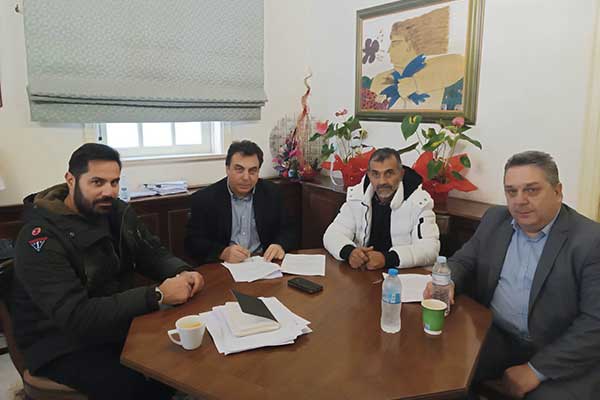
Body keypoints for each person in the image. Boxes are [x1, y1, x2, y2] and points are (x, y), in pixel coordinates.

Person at [11, 143, 204, 400]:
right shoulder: (40, 238)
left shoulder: (116, 211)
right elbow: (76, 316)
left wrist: (182, 271)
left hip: (113, 324)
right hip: (60, 344)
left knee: (177, 358)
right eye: (97, 182)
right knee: (137, 385)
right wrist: (156, 295)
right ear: (71, 180)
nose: (108, 191)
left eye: (114, 182)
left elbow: (151, 253)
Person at [424, 151, 600, 399]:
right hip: (496, 335)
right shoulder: (495, 219)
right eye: (511, 191)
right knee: (439, 369)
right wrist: (447, 280)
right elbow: (463, 261)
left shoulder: (590, 241)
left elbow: (595, 323)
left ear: (558, 191)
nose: (519, 201)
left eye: (531, 190)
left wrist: (536, 370)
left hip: (559, 349)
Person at [323, 148, 440, 270]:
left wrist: (387, 259)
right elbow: (332, 234)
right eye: (375, 174)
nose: (382, 181)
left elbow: (430, 249)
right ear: (369, 175)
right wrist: (350, 252)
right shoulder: (357, 197)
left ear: (401, 174)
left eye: (389, 173)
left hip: (401, 274)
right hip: (364, 272)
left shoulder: (419, 202)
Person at [185, 140, 296, 264]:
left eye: (252, 171)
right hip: (224, 265)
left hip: (263, 263)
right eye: (239, 170)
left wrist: (279, 245)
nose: (246, 177)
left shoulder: (272, 193)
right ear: (227, 169)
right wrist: (222, 252)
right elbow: (193, 242)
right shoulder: (205, 199)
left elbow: (289, 230)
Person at [369, 6, 464, 111]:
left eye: (395, 43)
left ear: (410, 44)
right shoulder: (379, 79)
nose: (389, 50)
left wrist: (416, 83)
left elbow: (461, 62)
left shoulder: (432, 70)